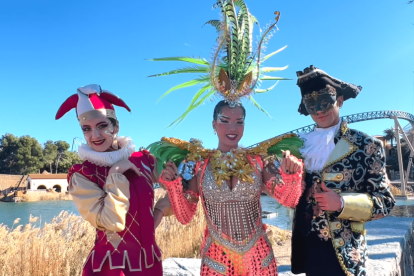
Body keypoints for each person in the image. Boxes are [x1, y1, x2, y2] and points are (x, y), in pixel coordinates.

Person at [147, 1, 305, 275]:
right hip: (217, 261)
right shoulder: (199, 164)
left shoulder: (257, 161)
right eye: (225, 120)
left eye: (239, 121)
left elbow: (290, 201)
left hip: (260, 260)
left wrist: (292, 177)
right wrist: (173, 186)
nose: (233, 127)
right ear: (214, 124)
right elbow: (185, 217)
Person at [290, 65, 396, 276]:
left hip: (347, 255)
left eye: (325, 101)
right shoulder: (298, 147)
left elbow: (385, 202)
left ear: (339, 100)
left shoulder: (368, 145)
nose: (319, 110)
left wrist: (342, 203)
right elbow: (289, 195)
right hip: (309, 250)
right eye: (311, 104)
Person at [55, 84, 162, 276]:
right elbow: (112, 222)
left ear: (116, 126)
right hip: (110, 268)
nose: (95, 135)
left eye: (102, 126)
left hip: (150, 264)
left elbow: (175, 193)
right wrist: (116, 173)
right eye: (86, 129)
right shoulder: (82, 174)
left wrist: (163, 208)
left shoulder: (143, 160)